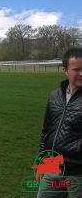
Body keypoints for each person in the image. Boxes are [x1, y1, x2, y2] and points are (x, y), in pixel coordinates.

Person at [37, 47, 82, 197]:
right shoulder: (54, 96)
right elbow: (46, 130)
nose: (81, 73)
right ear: (65, 70)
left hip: (78, 173)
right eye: (77, 69)